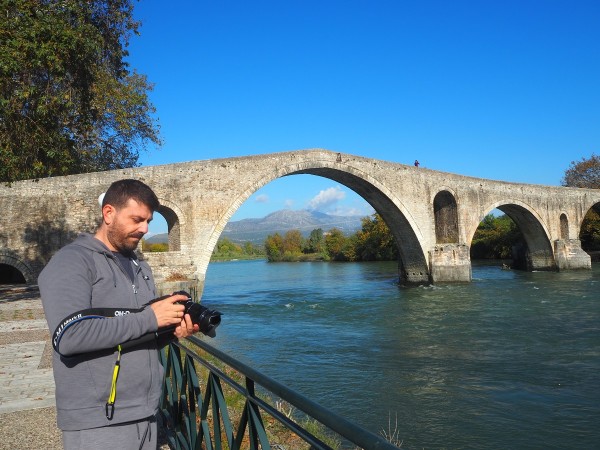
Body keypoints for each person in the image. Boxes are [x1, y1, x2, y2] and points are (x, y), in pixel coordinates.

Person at [39, 179, 199, 450]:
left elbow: (132, 334)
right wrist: (150, 318)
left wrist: (169, 333)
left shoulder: (140, 267)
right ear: (109, 213)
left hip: (146, 412)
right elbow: (69, 336)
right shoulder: (72, 261)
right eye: (137, 219)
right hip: (99, 421)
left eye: (148, 221)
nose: (145, 229)